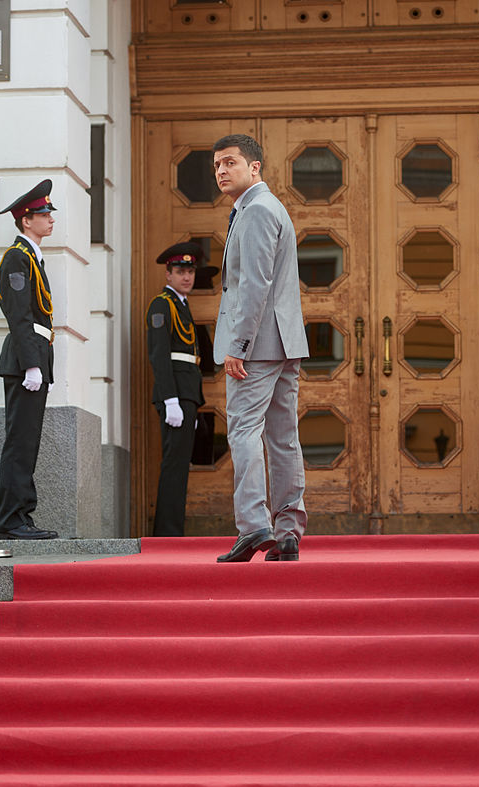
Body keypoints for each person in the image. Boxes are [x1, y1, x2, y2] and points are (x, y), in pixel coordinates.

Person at [212, 134, 309, 563]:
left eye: (230, 162)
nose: (221, 171)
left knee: (245, 431)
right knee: (283, 437)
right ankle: (288, 531)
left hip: (258, 345)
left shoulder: (254, 211)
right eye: (217, 165)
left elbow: (254, 284)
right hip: (285, 342)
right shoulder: (273, 209)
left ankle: (253, 526)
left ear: (255, 168)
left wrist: (239, 345)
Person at [0, 180, 58, 540]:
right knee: (20, 441)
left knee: (27, 441)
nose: (50, 220)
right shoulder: (17, 258)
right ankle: (11, 520)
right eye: (44, 214)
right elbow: (19, 315)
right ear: (25, 220)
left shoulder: (31, 256)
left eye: (49, 213)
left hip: (33, 356)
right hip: (24, 360)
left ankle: (20, 515)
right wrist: (31, 364)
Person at [146, 242, 211, 536]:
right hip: (175, 395)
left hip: (187, 395)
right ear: (168, 274)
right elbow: (159, 355)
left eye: (190, 271)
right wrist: (171, 399)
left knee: (180, 465)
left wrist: (192, 402)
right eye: (180, 271)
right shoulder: (163, 304)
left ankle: (172, 530)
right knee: (174, 465)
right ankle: (167, 533)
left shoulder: (182, 305)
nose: (187, 277)